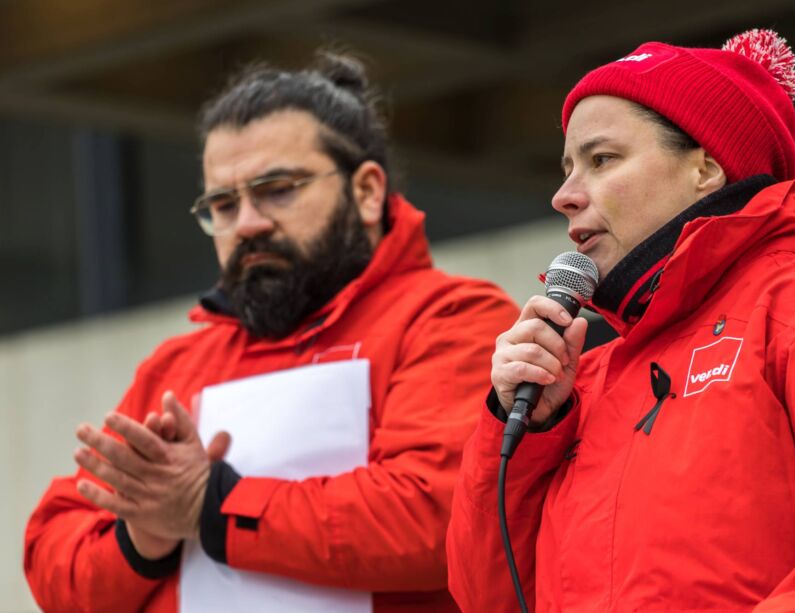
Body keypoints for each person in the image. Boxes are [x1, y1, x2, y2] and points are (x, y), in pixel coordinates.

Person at [24, 52, 519, 612]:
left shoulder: (450, 317)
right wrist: (144, 540)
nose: (249, 224)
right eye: (224, 204)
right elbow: (52, 558)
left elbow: (442, 519)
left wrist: (209, 505)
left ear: (367, 192)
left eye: (277, 189)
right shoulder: (176, 366)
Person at [446, 29, 795, 611]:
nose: (564, 195)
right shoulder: (579, 383)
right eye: (567, 168)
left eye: (601, 159)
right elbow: (487, 597)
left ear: (706, 169)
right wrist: (526, 430)